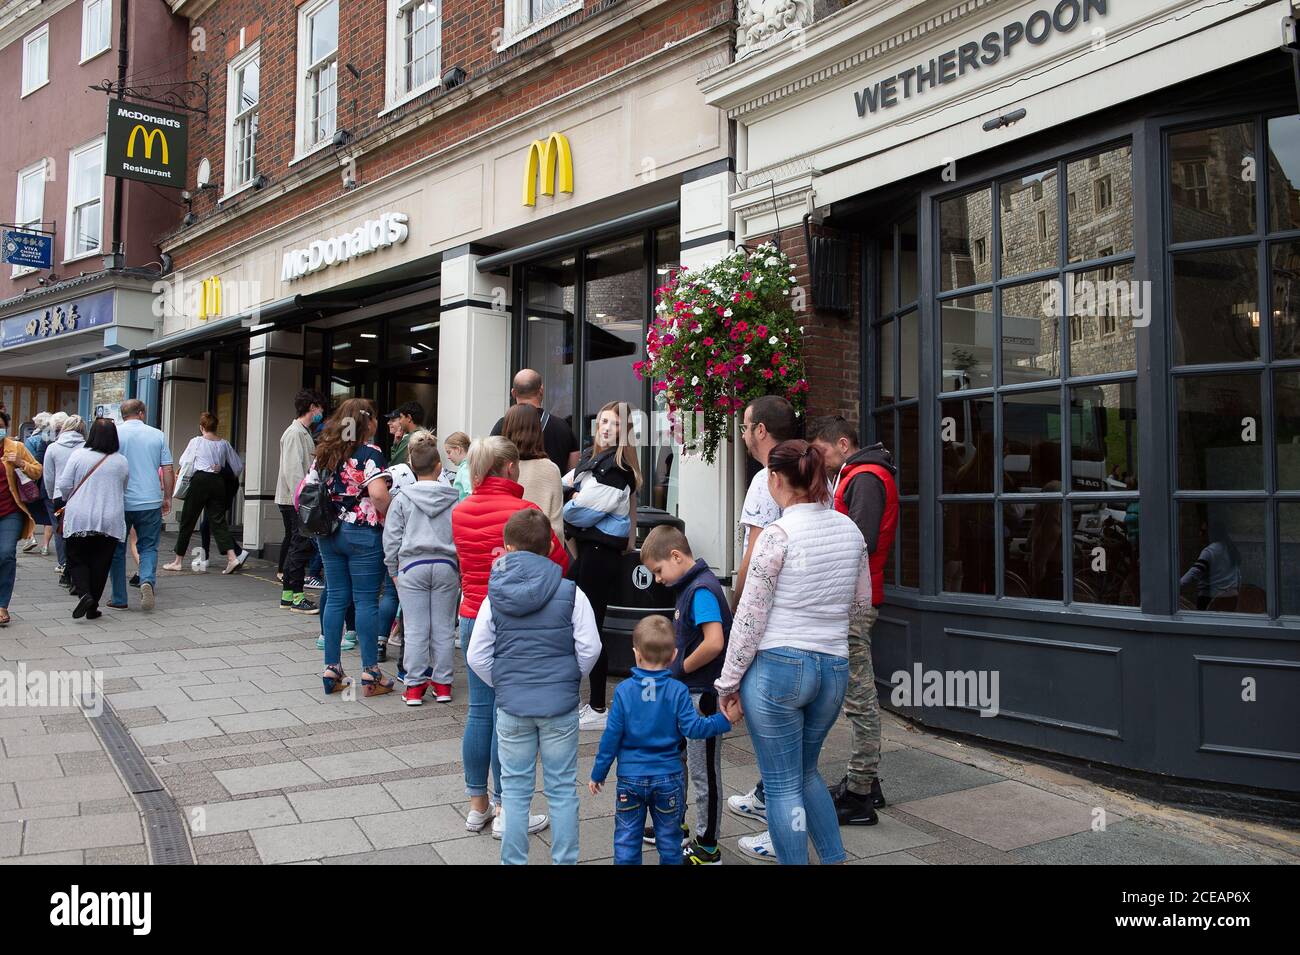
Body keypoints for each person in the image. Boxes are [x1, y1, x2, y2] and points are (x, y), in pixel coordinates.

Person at [715, 440, 871, 865]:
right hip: (833, 667)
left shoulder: (776, 536)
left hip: (778, 668)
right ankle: (834, 859)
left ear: (775, 479)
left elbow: (749, 621)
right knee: (806, 774)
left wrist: (727, 683)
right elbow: (860, 604)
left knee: (782, 785)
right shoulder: (850, 531)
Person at [467, 509, 602, 865]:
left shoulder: (493, 596)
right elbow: (591, 647)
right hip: (559, 706)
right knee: (561, 789)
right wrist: (569, 678)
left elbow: (477, 655)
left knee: (514, 792)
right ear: (548, 548)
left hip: (512, 706)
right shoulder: (572, 593)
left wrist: (504, 683)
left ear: (508, 547)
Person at [451, 436, 567, 838]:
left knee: (479, 712)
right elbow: (558, 563)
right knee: (511, 717)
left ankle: (476, 806)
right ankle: (506, 809)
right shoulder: (525, 510)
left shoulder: (460, 511)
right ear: (510, 468)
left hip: (471, 616)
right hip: (515, 621)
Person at [808, 415, 897, 826]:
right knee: (858, 696)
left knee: (860, 699)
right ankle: (867, 782)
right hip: (858, 598)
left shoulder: (863, 477)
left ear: (843, 444)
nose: (820, 461)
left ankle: (860, 794)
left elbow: (859, 541)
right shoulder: (861, 473)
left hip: (856, 603)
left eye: (823, 451)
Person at [588, 615, 731, 865]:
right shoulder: (678, 691)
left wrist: (598, 773)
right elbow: (694, 728)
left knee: (626, 838)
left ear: (636, 654)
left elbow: (611, 738)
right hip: (668, 777)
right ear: (674, 656)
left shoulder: (623, 692)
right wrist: (724, 720)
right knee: (669, 839)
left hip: (630, 778)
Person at [639, 524, 731, 865]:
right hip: (687, 695)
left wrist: (680, 669)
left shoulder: (702, 590)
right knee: (675, 761)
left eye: (659, 571)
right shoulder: (689, 587)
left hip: (702, 698)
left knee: (703, 771)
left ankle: (708, 846)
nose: (659, 579)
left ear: (676, 556)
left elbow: (714, 643)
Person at [727, 394, 797, 822]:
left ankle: (774, 799)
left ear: (761, 431)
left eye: (745, 425)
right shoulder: (813, 475)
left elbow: (752, 555)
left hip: (769, 616)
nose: (742, 433)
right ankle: (770, 789)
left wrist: (737, 604)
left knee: (765, 712)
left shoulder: (764, 479)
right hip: (806, 620)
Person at [305, 398, 396, 698]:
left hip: (328, 533)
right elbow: (379, 495)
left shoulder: (324, 452)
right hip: (363, 535)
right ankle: (371, 673)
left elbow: (308, 487)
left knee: (335, 599)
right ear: (366, 422)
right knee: (367, 601)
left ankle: (332, 669)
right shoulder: (371, 453)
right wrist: (394, 513)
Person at [562, 400, 640, 730]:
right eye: (603, 421)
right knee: (577, 623)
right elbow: (564, 490)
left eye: (614, 423)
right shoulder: (595, 461)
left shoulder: (618, 469)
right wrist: (574, 498)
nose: (606, 428)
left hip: (599, 557)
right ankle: (588, 702)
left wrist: (574, 502)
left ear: (626, 431)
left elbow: (572, 512)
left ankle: (597, 706)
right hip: (589, 554)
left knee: (590, 628)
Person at [383, 433, 459, 705]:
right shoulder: (454, 498)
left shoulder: (402, 499)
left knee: (415, 629)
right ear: (439, 467)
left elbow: (391, 538)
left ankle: (414, 687)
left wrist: (393, 569)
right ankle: (443, 684)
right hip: (446, 567)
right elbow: (459, 535)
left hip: (412, 566)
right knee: (443, 628)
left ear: (412, 468)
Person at [57, 418, 130, 620]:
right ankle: (92, 606)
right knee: (101, 562)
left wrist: (67, 497)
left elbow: (64, 484)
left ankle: (85, 595)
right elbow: (123, 488)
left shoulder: (79, 455)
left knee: (76, 557)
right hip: (110, 516)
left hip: (80, 514)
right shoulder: (121, 461)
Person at [163, 413, 249, 576]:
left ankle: (178, 561)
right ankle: (232, 558)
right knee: (218, 521)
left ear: (201, 427)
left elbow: (185, 462)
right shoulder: (224, 444)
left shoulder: (196, 441)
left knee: (188, 519)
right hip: (218, 482)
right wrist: (220, 468)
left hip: (200, 480)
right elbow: (237, 467)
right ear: (216, 427)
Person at [109, 399, 174, 613]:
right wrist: (167, 497)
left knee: (117, 549)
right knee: (148, 546)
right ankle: (146, 580)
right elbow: (167, 469)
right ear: (142, 413)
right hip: (150, 501)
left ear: (123, 414)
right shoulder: (157, 435)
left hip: (122, 501)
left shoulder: (115, 434)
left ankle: (119, 597)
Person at [276, 389, 324, 614]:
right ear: (312, 407)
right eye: (320, 408)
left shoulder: (302, 432)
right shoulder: (295, 433)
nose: (321, 412)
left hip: (295, 498)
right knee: (300, 547)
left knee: (297, 545)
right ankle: (296, 597)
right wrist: (304, 500)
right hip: (296, 499)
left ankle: (288, 595)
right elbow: (293, 470)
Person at [490, 369, 579, 474]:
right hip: (553, 488)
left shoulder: (502, 425)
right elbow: (573, 472)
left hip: (512, 490)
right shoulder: (563, 427)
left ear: (513, 393)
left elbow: (490, 463)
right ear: (541, 390)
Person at [0, 411, 43, 626]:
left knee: (6, 554)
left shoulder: (15, 448)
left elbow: (37, 470)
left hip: (10, 511)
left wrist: (20, 463)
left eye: (0, 426)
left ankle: (2, 606)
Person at [501, 403, 563, 539]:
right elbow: (556, 528)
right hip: (541, 550)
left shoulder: (498, 467)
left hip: (504, 549)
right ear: (537, 431)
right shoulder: (550, 469)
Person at [44, 415, 86, 589]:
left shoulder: (53, 448)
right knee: (80, 534)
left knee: (61, 533)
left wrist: (51, 494)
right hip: (82, 496)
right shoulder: (87, 448)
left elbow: (49, 477)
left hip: (59, 497)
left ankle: (65, 566)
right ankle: (75, 571)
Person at [22, 412, 56, 555]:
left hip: (36, 481)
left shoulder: (32, 440)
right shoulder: (54, 438)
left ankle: (31, 538)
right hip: (50, 481)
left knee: (29, 511)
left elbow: (30, 461)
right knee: (49, 515)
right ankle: (45, 546)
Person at [386, 401, 424, 467]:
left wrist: (395, 445)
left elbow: (394, 465)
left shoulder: (410, 439)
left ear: (409, 418)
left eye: (400, 417)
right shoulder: (424, 435)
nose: (400, 421)